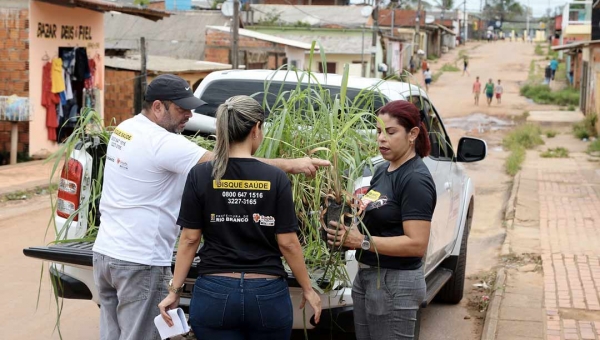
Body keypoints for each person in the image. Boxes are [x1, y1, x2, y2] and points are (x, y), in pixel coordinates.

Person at [92, 75, 329, 340]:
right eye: (182, 109)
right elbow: (224, 165)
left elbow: (191, 236)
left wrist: (175, 288)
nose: (190, 115)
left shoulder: (125, 129)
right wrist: (290, 165)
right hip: (140, 259)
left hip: (106, 254)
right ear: (158, 107)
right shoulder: (163, 142)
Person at [158, 95, 322, 339]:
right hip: (267, 294)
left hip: (214, 293)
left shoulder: (201, 175)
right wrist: (308, 288)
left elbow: (190, 240)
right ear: (256, 129)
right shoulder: (275, 178)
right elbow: (288, 243)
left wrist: (174, 290)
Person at [324, 100, 436, 340]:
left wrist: (360, 242)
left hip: (395, 283)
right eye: (378, 132)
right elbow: (379, 209)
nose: (381, 139)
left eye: (391, 132)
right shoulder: (383, 170)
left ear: (412, 134)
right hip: (368, 278)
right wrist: (347, 204)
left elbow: (417, 244)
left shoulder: (415, 179)